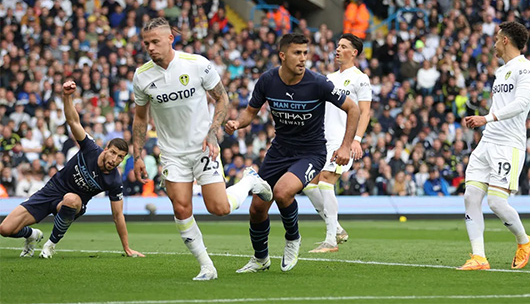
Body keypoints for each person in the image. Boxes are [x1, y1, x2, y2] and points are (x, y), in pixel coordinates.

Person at [132, 18, 272, 281]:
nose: (150, 47)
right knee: (181, 208)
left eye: (155, 42)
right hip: (172, 153)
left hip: (202, 146)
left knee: (219, 208)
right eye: (146, 43)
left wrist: (212, 132)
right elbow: (140, 118)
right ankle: (206, 266)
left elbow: (222, 98)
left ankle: (249, 180)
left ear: (170, 38)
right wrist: (138, 154)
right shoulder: (142, 76)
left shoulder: (196, 64)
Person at [225, 33, 359, 273]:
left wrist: (347, 145)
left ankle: (293, 238)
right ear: (282, 55)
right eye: (297, 53)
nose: (303, 58)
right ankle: (260, 259)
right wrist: (237, 123)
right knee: (256, 208)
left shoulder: (318, 83)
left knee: (282, 192)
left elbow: (353, 108)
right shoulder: (267, 81)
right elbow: (250, 112)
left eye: (305, 53)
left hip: (311, 153)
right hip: (279, 151)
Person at [0, 81, 144, 259]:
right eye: (113, 153)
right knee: (5, 229)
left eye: (120, 157)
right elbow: (73, 121)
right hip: (51, 190)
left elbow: (118, 215)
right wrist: (67, 96)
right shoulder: (90, 148)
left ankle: (50, 244)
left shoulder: (114, 180)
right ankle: (32, 235)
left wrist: (127, 248)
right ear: (106, 149)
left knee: (70, 199)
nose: (114, 160)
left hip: (73, 203)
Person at [457, 21, 530, 271]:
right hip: (488, 142)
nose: (493, 43)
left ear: (505, 40)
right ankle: (479, 257)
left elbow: (522, 103)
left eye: (496, 38)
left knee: (496, 203)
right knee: (470, 196)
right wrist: (487, 121)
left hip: (508, 144)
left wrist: (487, 118)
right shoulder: (501, 71)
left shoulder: (526, 69)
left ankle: (524, 241)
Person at [302, 33, 372, 253]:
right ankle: (338, 229)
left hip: (343, 141)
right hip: (322, 140)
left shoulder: (361, 78)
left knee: (325, 182)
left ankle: (331, 240)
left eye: (343, 47)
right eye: (337, 46)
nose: (337, 50)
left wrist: (356, 140)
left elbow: (365, 112)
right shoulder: (328, 78)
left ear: (354, 52)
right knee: (308, 185)